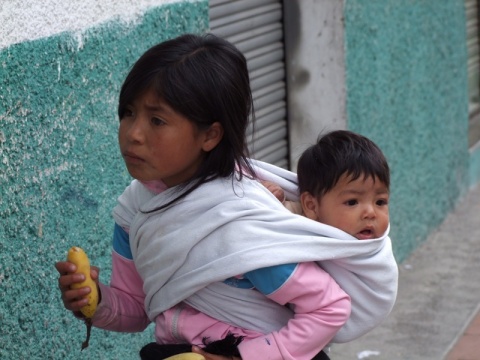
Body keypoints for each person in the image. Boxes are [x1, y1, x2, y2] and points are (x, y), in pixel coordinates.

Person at [55, 33, 398, 360]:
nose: (133, 134)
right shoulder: (136, 210)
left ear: (211, 134)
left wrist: (246, 357)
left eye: (157, 120)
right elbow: (138, 307)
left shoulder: (239, 226)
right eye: (128, 113)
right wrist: (95, 300)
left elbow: (328, 307)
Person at [266, 130, 390, 241]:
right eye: (352, 202)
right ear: (312, 206)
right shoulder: (300, 230)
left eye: (380, 202)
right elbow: (280, 214)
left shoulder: (378, 253)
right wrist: (271, 196)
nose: (371, 213)